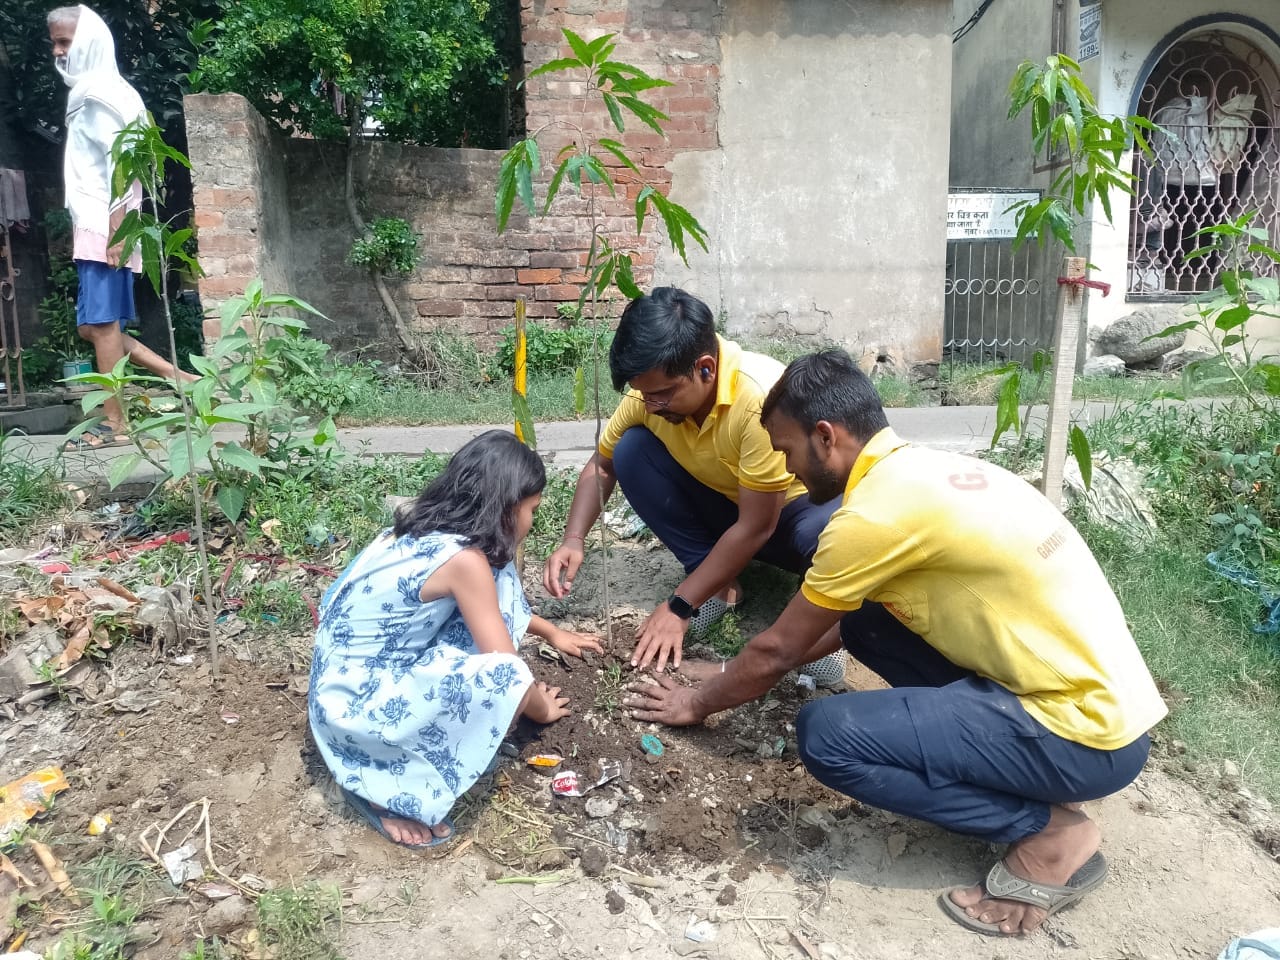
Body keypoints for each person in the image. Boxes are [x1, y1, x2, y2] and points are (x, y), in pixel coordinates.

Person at [625, 350, 1167, 936]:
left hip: (1085, 735)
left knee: (827, 737)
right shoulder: (924, 472)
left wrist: (697, 702)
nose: (787, 470)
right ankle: (1027, 779)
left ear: (825, 436)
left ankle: (1048, 834)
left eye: (787, 451)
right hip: (1111, 707)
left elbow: (778, 649)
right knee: (869, 624)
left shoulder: (871, 518)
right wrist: (732, 672)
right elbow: (824, 629)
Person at [309, 430, 603, 848]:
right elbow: (508, 671)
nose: (533, 521)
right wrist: (540, 709)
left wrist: (551, 631)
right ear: (508, 509)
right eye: (532, 509)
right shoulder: (466, 562)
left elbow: (484, 607)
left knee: (494, 578)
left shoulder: (412, 531)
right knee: (503, 670)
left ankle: (375, 755)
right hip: (357, 722)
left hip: (332, 694)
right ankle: (382, 788)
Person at [543, 287, 839, 672]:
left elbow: (757, 526)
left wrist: (679, 605)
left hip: (790, 516)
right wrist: (573, 539)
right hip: (733, 507)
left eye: (662, 394)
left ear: (705, 369)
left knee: (829, 531)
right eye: (643, 394)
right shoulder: (649, 397)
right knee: (631, 451)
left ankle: (819, 633)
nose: (651, 406)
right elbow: (602, 465)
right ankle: (719, 587)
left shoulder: (758, 401)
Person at [47, 5, 196, 448]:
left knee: (102, 326)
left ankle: (116, 425)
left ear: (88, 42)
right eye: (54, 43)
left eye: (65, 42)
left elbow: (125, 165)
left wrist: (117, 230)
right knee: (94, 328)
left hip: (105, 226)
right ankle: (180, 379)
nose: (57, 52)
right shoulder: (99, 91)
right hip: (97, 224)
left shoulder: (99, 95)